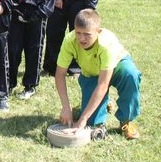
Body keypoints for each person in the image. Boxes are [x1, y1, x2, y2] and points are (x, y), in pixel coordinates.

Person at [55, 9, 141, 140]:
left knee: (131, 75)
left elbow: (103, 85)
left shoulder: (106, 44)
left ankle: (126, 121)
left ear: (98, 32)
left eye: (87, 34)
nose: (81, 38)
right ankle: (103, 104)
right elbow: (60, 74)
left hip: (118, 66)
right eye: (78, 33)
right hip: (92, 73)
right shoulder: (70, 40)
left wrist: (82, 119)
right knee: (92, 123)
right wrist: (66, 107)